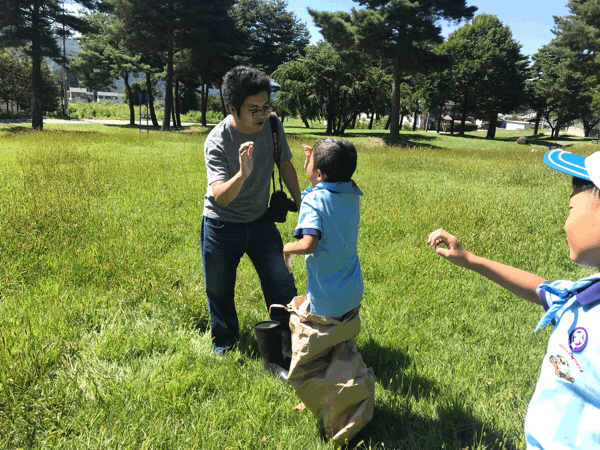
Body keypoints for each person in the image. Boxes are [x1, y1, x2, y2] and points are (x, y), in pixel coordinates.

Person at [427, 149, 600, 449]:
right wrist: (470, 259)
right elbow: (546, 290)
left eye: (571, 209)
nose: (565, 222)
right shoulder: (587, 295)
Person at [201, 65, 301, 356]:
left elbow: (285, 164)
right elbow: (220, 196)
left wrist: (301, 202)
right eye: (253, 109)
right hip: (222, 225)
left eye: (265, 106)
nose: (261, 115)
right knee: (219, 290)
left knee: (282, 282)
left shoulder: (272, 125)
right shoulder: (217, 141)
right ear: (232, 107)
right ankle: (225, 342)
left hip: (260, 221)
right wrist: (242, 174)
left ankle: (291, 341)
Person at [283, 138, 363, 317]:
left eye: (311, 161)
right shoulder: (352, 193)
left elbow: (308, 245)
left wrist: (286, 249)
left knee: (315, 338)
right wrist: (313, 169)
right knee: (343, 333)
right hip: (352, 292)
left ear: (319, 174)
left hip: (325, 299)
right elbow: (326, 192)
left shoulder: (313, 200)